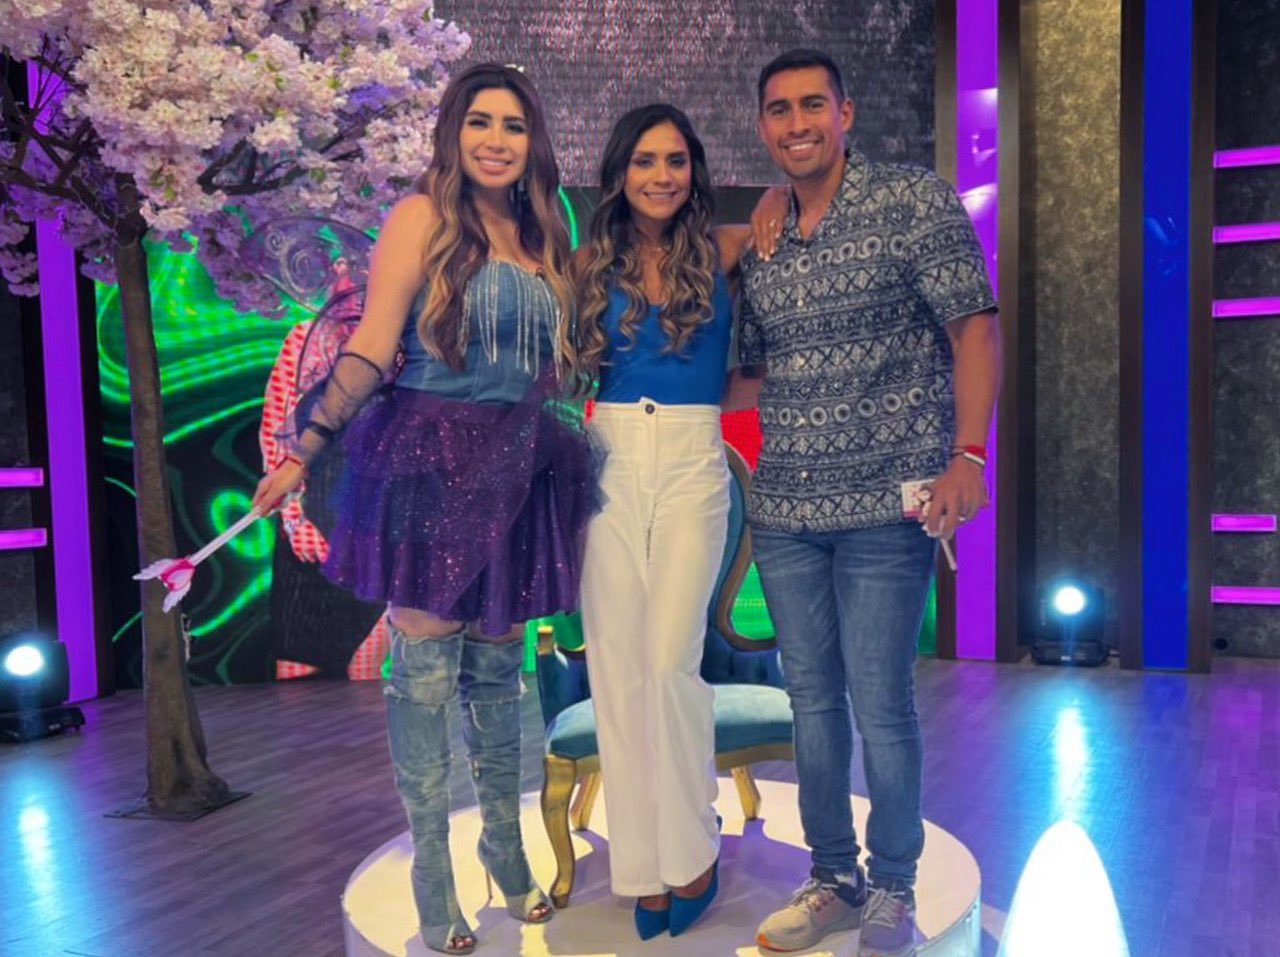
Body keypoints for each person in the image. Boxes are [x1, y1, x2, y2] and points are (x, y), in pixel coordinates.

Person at [253, 63, 596, 956]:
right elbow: (373, 344)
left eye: (513, 124)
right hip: (430, 465)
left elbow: (560, 357)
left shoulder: (547, 228)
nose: (496, 139)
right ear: (454, 132)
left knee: (500, 676)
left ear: (533, 140)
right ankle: (433, 875)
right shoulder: (420, 218)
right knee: (429, 678)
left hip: (522, 467)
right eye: (479, 121)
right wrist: (303, 448)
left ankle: (505, 850)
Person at [731, 49, 1001, 957]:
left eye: (813, 105)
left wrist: (969, 454)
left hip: (891, 506)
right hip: (787, 511)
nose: (797, 123)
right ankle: (831, 879)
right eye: (779, 110)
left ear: (846, 113)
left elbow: (974, 328)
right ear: (763, 126)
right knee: (812, 702)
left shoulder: (912, 199)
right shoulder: (768, 237)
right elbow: (757, 371)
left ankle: (892, 885)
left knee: (881, 702)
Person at [571, 103, 755, 940]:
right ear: (620, 171)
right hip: (608, 452)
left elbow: (751, 365)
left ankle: (693, 850)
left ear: (694, 172)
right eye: (645, 160)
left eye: (675, 160)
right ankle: (642, 865)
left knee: (670, 659)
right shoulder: (586, 264)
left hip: (691, 459)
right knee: (618, 665)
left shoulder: (727, 248)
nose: (661, 175)